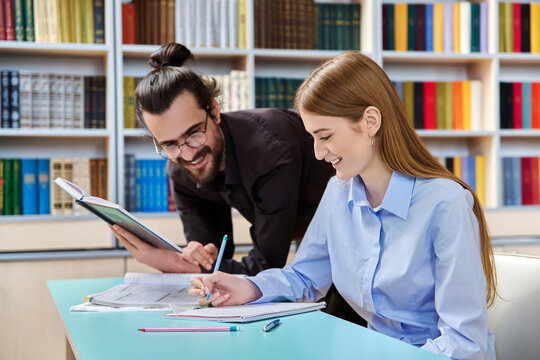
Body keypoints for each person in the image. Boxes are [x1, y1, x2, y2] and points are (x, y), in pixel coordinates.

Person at [189, 51, 497, 360]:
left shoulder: (446, 204)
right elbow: (306, 277)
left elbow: (464, 344)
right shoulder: (339, 192)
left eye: (324, 136)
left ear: (370, 122)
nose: (319, 153)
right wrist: (248, 288)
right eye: (312, 138)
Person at [111, 43, 366, 325]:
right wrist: (196, 259)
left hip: (356, 227)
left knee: (339, 325)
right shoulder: (180, 169)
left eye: (194, 134)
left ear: (215, 111)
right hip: (307, 249)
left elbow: (266, 265)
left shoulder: (270, 150)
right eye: (169, 144)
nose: (187, 153)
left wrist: (169, 263)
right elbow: (215, 268)